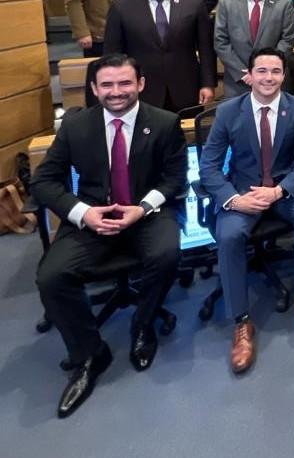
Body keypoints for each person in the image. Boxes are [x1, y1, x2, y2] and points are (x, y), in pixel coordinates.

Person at [33, 54, 187, 417]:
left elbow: (174, 178)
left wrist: (143, 207)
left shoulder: (164, 123)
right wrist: (83, 213)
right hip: (92, 218)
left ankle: (142, 324)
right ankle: (90, 354)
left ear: (140, 84)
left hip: (145, 214)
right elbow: (43, 181)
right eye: (107, 85)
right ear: (93, 89)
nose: (116, 92)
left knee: (168, 254)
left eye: (124, 83)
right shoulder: (75, 127)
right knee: (51, 277)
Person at [199, 48, 294, 374]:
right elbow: (209, 166)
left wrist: (280, 190)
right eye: (262, 71)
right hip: (243, 193)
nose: (269, 78)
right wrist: (233, 199)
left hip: (284, 189)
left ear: (284, 76)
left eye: (276, 72)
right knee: (228, 235)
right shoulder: (228, 112)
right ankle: (241, 322)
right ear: (249, 75)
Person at [103, 0, 216, 113]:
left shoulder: (194, 3)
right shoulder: (121, 7)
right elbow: (112, 55)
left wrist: (207, 84)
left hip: (186, 90)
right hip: (141, 91)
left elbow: (206, 50)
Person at [214, 0, 294, 98]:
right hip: (238, 82)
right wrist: (244, 73)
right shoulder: (226, 3)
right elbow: (221, 42)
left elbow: (288, 40)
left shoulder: (284, 3)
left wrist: (265, 72)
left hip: (272, 82)